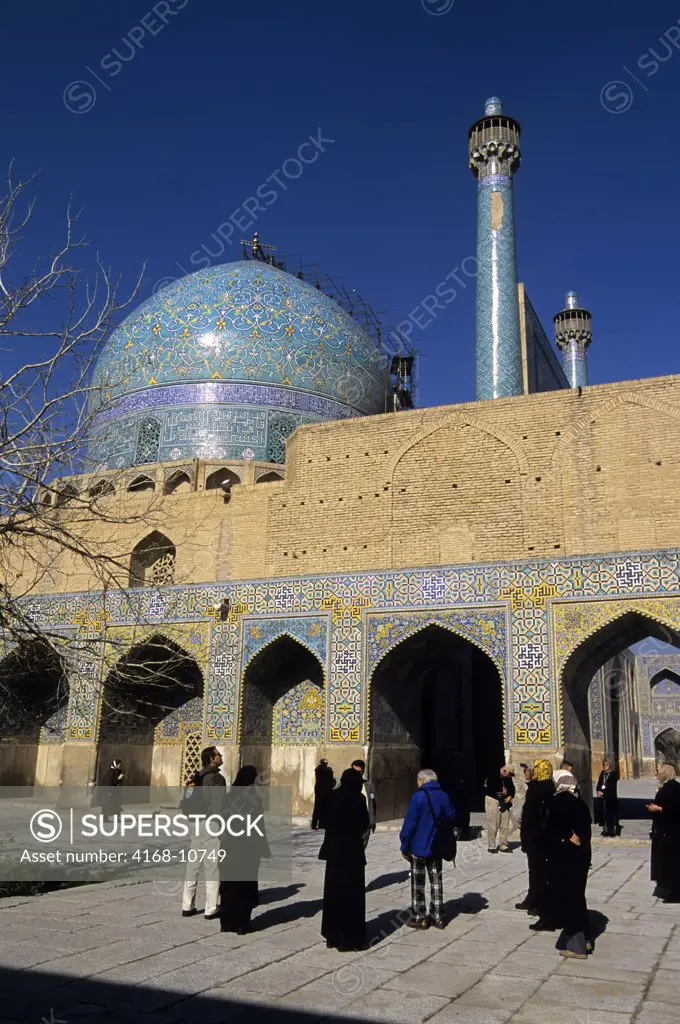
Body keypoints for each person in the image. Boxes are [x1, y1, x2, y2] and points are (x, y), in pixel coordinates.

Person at [536, 772, 593, 958]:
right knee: (578, 895)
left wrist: (566, 836)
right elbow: (585, 827)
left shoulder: (558, 801)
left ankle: (577, 946)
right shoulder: (579, 802)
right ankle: (586, 939)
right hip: (582, 856)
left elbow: (550, 829)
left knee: (570, 899)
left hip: (564, 857)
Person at [319, 767, 369, 951]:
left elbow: (324, 820)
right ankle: (350, 937)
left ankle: (332, 935)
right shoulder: (359, 798)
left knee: (333, 894)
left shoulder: (332, 796)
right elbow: (364, 823)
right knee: (351, 894)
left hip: (333, 852)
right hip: (352, 852)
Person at [400, 768, 456, 930]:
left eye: (418, 781)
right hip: (437, 845)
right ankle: (438, 915)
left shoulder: (419, 797)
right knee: (436, 880)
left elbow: (410, 824)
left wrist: (404, 845)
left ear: (422, 780)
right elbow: (452, 816)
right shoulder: (444, 796)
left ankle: (420, 916)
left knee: (418, 882)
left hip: (419, 846)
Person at [219, 765, 269, 934]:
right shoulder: (252, 797)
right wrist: (263, 847)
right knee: (244, 886)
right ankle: (242, 924)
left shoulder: (230, 795)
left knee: (228, 885)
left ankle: (227, 923)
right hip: (247, 848)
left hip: (229, 846)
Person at [181, 746, 226, 921]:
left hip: (195, 823)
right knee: (211, 865)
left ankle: (187, 905)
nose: (221, 757)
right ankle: (211, 908)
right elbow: (218, 805)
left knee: (193, 864)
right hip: (211, 823)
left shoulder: (196, 776)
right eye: (218, 755)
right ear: (212, 759)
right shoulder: (216, 778)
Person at [515, 759, 554, 915]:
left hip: (536, 837)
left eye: (532, 770)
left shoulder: (536, 791)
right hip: (544, 836)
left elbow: (531, 815)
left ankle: (538, 903)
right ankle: (533, 899)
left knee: (537, 871)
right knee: (540, 870)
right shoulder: (548, 787)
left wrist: (524, 828)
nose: (528, 772)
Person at [648, 760, 680, 903]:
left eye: (659, 772)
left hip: (669, 833)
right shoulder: (670, 787)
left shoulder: (671, 789)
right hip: (668, 831)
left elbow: (676, 809)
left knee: (670, 863)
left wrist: (659, 809)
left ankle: (673, 892)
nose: (657, 775)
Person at [485, 765, 515, 853]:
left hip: (505, 802)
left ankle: (503, 845)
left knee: (505, 824)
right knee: (493, 823)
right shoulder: (493, 775)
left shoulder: (508, 778)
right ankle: (491, 846)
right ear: (505, 771)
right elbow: (490, 788)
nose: (510, 777)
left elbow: (513, 789)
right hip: (493, 800)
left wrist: (510, 796)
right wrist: (500, 791)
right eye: (509, 774)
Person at [351, 759, 377, 849]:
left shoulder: (368, 785)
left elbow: (373, 803)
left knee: (361, 852)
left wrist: (372, 821)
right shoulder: (344, 786)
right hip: (350, 825)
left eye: (359, 772)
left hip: (365, 826)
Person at [595, 758, 619, 837]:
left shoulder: (613, 774)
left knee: (611, 814)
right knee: (604, 814)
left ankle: (611, 830)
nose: (605, 766)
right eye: (604, 765)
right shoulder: (602, 773)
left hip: (610, 797)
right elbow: (599, 783)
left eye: (606, 765)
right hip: (603, 797)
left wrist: (604, 792)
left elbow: (611, 786)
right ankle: (605, 829)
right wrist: (598, 790)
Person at [311, 758, 335, 830]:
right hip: (326, 791)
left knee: (318, 808)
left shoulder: (319, 769)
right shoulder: (327, 770)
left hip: (320, 791)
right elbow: (332, 780)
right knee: (324, 808)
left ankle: (315, 824)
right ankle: (320, 824)